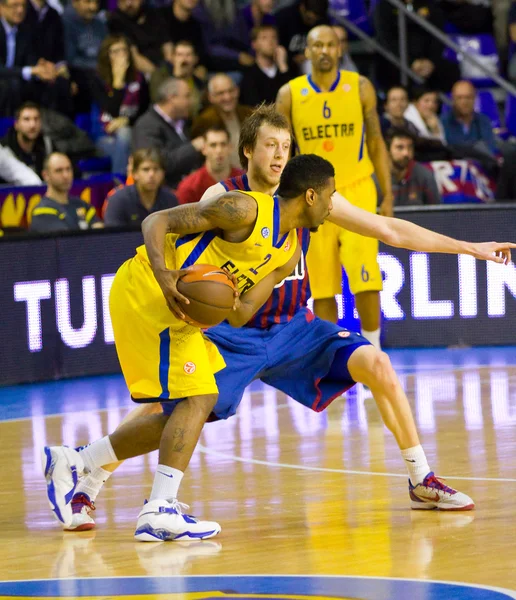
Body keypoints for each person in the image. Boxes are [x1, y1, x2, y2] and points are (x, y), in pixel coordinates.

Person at [50, 107, 516, 536]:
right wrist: (186, 290)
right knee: (173, 405)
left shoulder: (309, 203)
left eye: (285, 146)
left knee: (376, 363)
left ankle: (422, 480)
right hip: (232, 332)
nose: (278, 154)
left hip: (293, 327)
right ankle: (89, 477)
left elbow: (391, 230)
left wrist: (470, 248)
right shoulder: (227, 198)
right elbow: (169, 232)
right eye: (270, 145)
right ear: (248, 150)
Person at [42, 151, 336, 541]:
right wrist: (165, 276)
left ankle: (78, 461)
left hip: (183, 312)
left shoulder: (288, 253)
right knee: (200, 397)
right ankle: (158, 507)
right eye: (331, 195)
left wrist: (225, 294)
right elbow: (156, 220)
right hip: (148, 288)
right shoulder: (244, 209)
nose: (333, 206)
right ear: (311, 196)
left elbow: (240, 312)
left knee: (196, 405)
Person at [276, 25, 394, 349]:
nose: (325, 51)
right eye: (318, 45)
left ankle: (373, 349)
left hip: (355, 187)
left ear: (339, 49)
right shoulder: (289, 93)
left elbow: (375, 141)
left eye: (331, 45)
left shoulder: (360, 87)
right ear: (308, 51)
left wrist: (388, 194)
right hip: (311, 195)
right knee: (323, 287)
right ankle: (333, 355)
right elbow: (280, 149)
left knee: (365, 279)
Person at [92, 34, 149, 174]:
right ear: (107, 54)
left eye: (124, 50)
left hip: (132, 132)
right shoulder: (96, 79)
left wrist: (127, 120)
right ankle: (121, 184)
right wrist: (118, 81)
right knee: (128, 142)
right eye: (115, 51)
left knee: (126, 135)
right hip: (104, 136)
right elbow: (111, 110)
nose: (121, 55)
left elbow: (145, 110)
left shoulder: (138, 78)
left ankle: (121, 184)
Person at [132, 77, 204, 187]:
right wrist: (193, 147)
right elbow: (158, 164)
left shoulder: (183, 121)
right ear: (172, 98)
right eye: (187, 96)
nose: (190, 102)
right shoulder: (146, 126)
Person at [192, 73, 253, 169]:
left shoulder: (249, 114)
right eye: (221, 93)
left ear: (237, 91)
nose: (227, 97)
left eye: (230, 91)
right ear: (210, 97)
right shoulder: (204, 121)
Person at [104, 148, 178, 227]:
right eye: (146, 169)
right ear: (135, 173)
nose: (151, 174)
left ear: (163, 173)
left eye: (156, 169)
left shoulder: (170, 199)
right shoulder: (118, 200)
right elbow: (112, 237)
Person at [30, 152, 103, 232]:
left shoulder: (81, 205)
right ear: (45, 175)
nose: (66, 175)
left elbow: (100, 234)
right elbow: (65, 242)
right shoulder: (42, 211)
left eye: (68, 169)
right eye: (59, 171)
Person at [175, 125, 243, 205]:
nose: (219, 150)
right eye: (213, 145)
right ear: (204, 149)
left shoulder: (244, 180)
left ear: (230, 147)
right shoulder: (189, 187)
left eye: (223, 144)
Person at [107, 0, 172, 76]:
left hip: (163, 68)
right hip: (141, 74)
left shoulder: (153, 13)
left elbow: (167, 44)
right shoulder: (116, 21)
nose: (128, 3)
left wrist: (170, 66)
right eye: (123, 0)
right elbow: (134, 57)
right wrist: (158, 76)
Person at [239, 25, 293, 107]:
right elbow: (253, 105)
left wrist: (282, 65)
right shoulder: (249, 73)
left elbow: (293, 97)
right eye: (264, 38)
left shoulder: (286, 68)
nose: (270, 42)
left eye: (274, 37)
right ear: (254, 44)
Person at [385, 127, 440, 206]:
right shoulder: (376, 178)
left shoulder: (425, 176)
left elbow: (437, 213)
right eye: (400, 147)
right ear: (387, 150)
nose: (406, 153)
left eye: (410, 147)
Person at [1, 102, 53, 178]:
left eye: (36, 119)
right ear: (16, 124)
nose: (32, 125)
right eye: (26, 119)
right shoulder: (3, 149)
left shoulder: (47, 144)